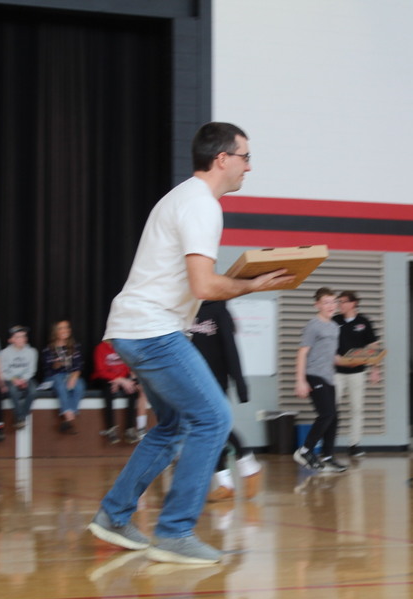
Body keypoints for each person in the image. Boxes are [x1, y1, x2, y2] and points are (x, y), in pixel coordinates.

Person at [87, 121, 293, 565]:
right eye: (245, 158)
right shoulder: (202, 205)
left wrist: (244, 282)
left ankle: (113, 515)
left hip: (133, 327)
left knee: (174, 425)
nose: (249, 168)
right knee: (214, 418)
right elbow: (203, 286)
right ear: (223, 159)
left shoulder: (183, 197)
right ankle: (175, 530)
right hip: (152, 329)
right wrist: (253, 285)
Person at [190, 299, 264, 501]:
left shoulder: (217, 310)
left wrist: (240, 383)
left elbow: (230, 348)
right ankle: (225, 482)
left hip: (215, 379)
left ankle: (247, 464)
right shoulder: (187, 308)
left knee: (215, 426)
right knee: (207, 432)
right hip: (192, 379)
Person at [293, 287, 348, 473]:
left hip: (329, 377)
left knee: (334, 418)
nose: (331, 306)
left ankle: (328, 457)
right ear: (317, 305)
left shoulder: (334, 327)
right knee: (327, 414)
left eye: (333, 302)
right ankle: (305, 451)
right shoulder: (313, 325)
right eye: (326, 302)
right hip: (314, 375)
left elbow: (333, 357)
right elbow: (302, 353)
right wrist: (300, 381)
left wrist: (358, 359)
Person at [333, 290, 381, 458]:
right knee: (331, 409)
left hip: (357, 372)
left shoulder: (364, 322)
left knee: (357, 409)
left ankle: (354, 445)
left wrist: (375, 370)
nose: (340, 305)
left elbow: (374, 347)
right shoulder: (334, 321)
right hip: (336, 372)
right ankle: (328, 444)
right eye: (338, 302)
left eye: (343, 301)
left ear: (353, 303)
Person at [92, 339, 148, 444]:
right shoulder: (100, 348)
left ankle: (129, 429)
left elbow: (126, 366)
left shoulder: (122, 347)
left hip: (121, 378)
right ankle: (111, 428)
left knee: (132, 389)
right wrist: (116, 379)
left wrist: (121, 380)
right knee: (108, 390)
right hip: (104, 378)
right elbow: (101, 371)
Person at [41, 320, 85, 434]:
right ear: (56, 331)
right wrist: (57, 365)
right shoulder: (49, 349)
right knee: (61, 384)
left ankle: (67, 419)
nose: (65, 330)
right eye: (61, 328)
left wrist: (74, 377)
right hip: (54, 377)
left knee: (80, 385)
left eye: (66, 328)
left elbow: (78, 366)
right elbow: (47, 370)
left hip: (70, 375)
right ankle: (69, 416)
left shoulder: (75, 347)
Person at [0, 326, 38, 430]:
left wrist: (24, 379)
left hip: (26, 378)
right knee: (12, 391)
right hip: (10, 379)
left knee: (33, 391)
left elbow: (31, 370)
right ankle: (21, 417)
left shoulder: (32, 352)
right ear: (11, 340)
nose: (21, 339)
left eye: (23, 336)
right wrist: (14, 380)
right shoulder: (4, 353)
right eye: (17, 337)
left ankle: (21, 417)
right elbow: (2, 371)